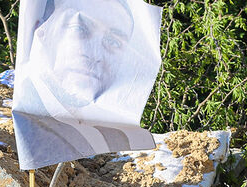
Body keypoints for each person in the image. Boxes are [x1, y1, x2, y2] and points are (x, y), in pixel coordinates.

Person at [12, 0, 157, 169]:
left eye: (113, 42)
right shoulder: (27, 118)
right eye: (80, 29)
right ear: (42, 31)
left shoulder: (111, 133)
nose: (95, 54)